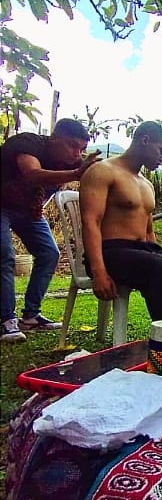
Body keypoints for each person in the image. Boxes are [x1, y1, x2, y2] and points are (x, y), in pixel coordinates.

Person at [80, 121, 162, 321]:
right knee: (159, 267)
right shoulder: (103, 171)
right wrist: (98, 271)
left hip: (144, 250)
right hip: (109, 252)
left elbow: (148, 231)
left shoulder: (146, 184)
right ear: (144, 140)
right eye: (161, 150)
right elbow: (90, 222)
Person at [1, 119, 101, 342]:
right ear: (55, 139)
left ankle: (31, 316)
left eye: (81, 149)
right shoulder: (27, 143)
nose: (77, 153)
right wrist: (76, 173)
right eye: (72, 145)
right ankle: (7, 320)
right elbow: (32, 174)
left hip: (27, 212)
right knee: (5, 257)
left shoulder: (70, 163)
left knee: (49, 254)